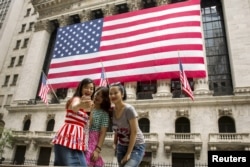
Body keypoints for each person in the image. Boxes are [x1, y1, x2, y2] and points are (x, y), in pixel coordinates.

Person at [52, 78, 95, 166]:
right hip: (66, 139)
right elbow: (74, 107)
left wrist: (92, 109)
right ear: (81, 88)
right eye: (86, 87)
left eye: (91, 88)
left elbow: (89, 125)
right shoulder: (76, 99)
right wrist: (80, 104)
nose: (89, 90)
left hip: (78, 142)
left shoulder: (89, 107)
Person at [109, 82, 145, 167]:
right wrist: (114, 143)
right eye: (110, 94)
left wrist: (128, 153)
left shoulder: (129, 109)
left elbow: (134, 132)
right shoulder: (112, 111)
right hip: (121, 146)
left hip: (137, 146)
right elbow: (117, 129)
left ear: (122, 94)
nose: (113, 95)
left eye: (115, 93)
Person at [85, 86, 111, 167]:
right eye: (97, 94)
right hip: (81, 138)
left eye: (102, 96)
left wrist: (97, 150)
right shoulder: (85, 107)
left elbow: (103, 133)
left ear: (105, 99)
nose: (98, 97)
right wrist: (90, 108)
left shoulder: (104, 114)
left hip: (93, 142)